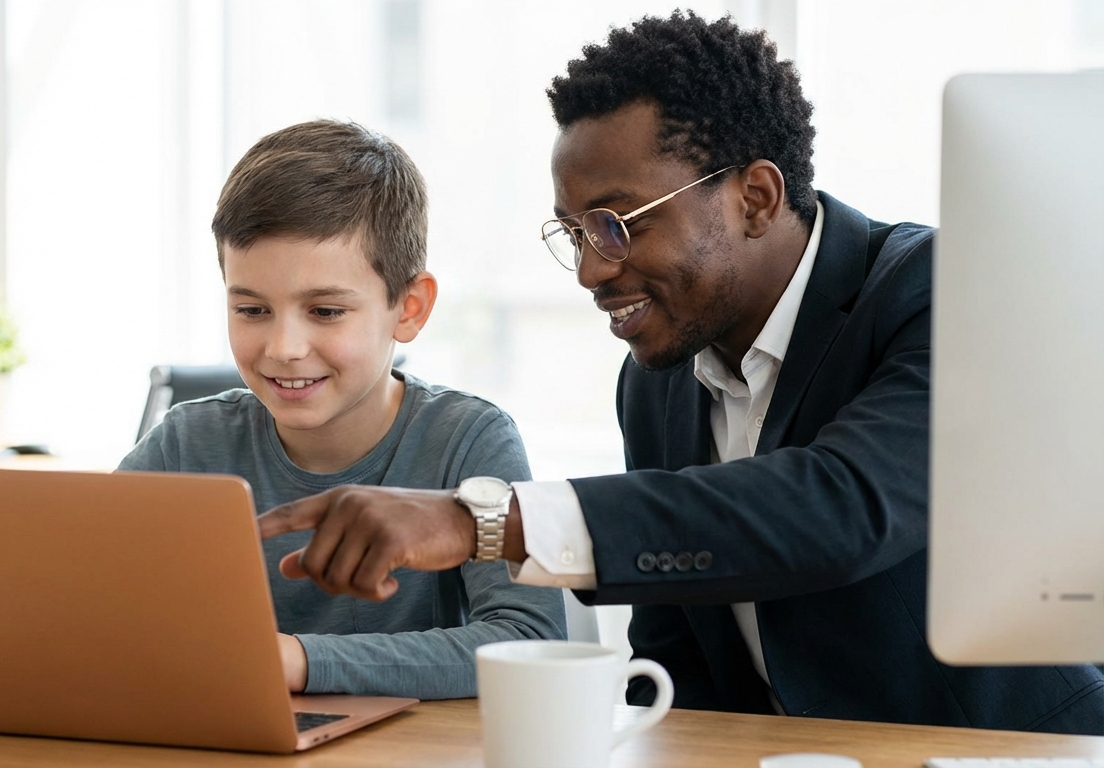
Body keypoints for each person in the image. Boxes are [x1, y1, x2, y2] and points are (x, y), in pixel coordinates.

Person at [256, 13, 1104, 731]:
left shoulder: (945, 293)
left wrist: (483, 520)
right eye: (575, 232)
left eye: (618, 224)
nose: (590, 270)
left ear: (756, 198)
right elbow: (673, 660)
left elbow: (843, 505)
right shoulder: (656, 380)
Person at [118, 119, 565, 701]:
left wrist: (301, 661)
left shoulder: (469, 439)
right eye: (252, 310)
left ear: (409, 308)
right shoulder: (185, 442)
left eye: (326, 312)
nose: (284, 348)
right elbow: (81, 594)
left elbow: (528, 639)